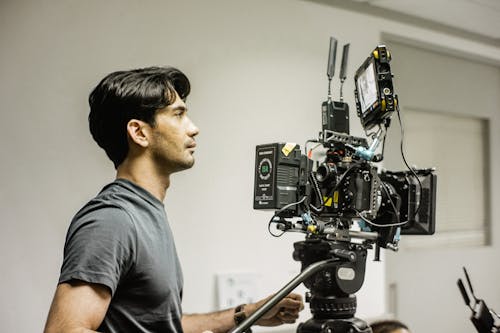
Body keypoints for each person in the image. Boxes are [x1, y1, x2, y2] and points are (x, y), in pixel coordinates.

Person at [43, 66, 304, 333]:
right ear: (139, 133)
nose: (194, 129)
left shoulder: (145, 211)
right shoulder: (111, 220)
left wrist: (247, 314)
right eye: (178, 114)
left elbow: (160, 325)